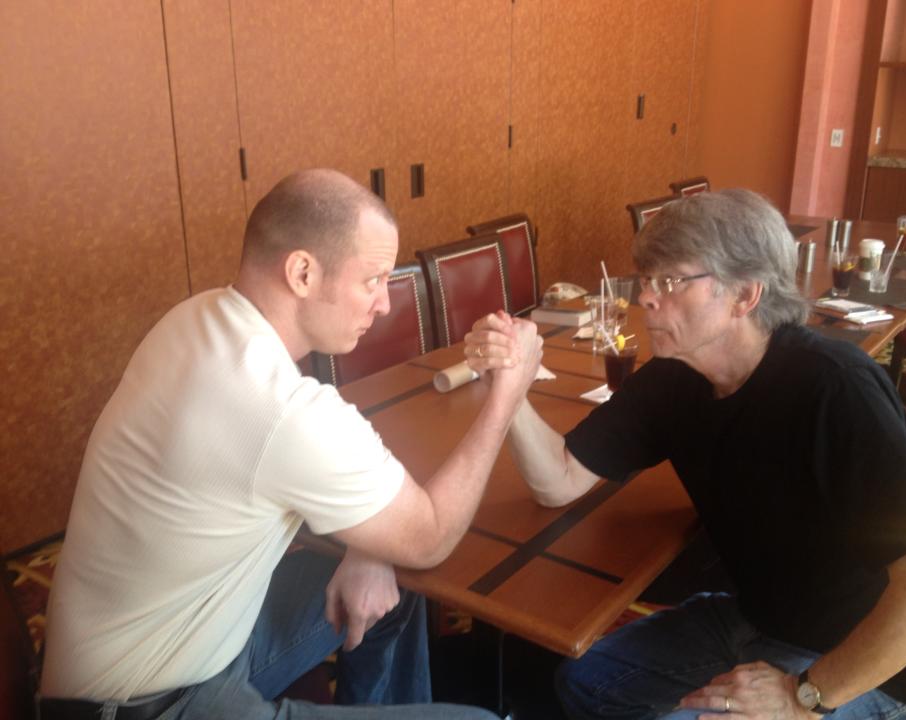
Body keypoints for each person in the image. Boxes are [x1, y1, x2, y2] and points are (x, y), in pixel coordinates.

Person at [39, 169, 542, 720]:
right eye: (372, 280)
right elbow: (428, 537)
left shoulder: (197, 318)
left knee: (393, 588)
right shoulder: (279, 408)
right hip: (143, 705)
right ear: (302, 272)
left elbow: (250, 489)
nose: (383, 304)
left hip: (181, 644)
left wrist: (370, 544)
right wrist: (506, 397)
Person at [464, 189, 906, 720]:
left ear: (744, 295)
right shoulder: (674, 378)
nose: (647, 298)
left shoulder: (834, 388)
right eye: (646, 279)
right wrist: (508, 390)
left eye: (670, 281)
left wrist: (805, 696)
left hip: (865, 662)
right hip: (760, 619)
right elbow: (557, 481)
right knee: (588, 683)